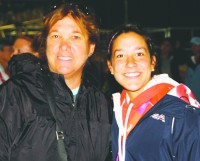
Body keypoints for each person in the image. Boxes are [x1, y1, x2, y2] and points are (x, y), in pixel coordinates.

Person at [0, 2, 111, 161]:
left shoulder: (101, 105)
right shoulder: (15, 95)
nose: (64, 46)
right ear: (45, 45)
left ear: (91, 47)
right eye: (56, 36)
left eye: (75, 36)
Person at [106, 24, 200, 161]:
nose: (130, 63)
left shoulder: (182, 117)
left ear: (153, 62)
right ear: (111, 67)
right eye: (120, 55)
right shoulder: (115, 111)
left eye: (139, 54)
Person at [185, 36, 200, 102]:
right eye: (192, 45)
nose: (193, 47)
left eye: (195, 45)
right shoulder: (187, 60)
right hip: (191, 98)